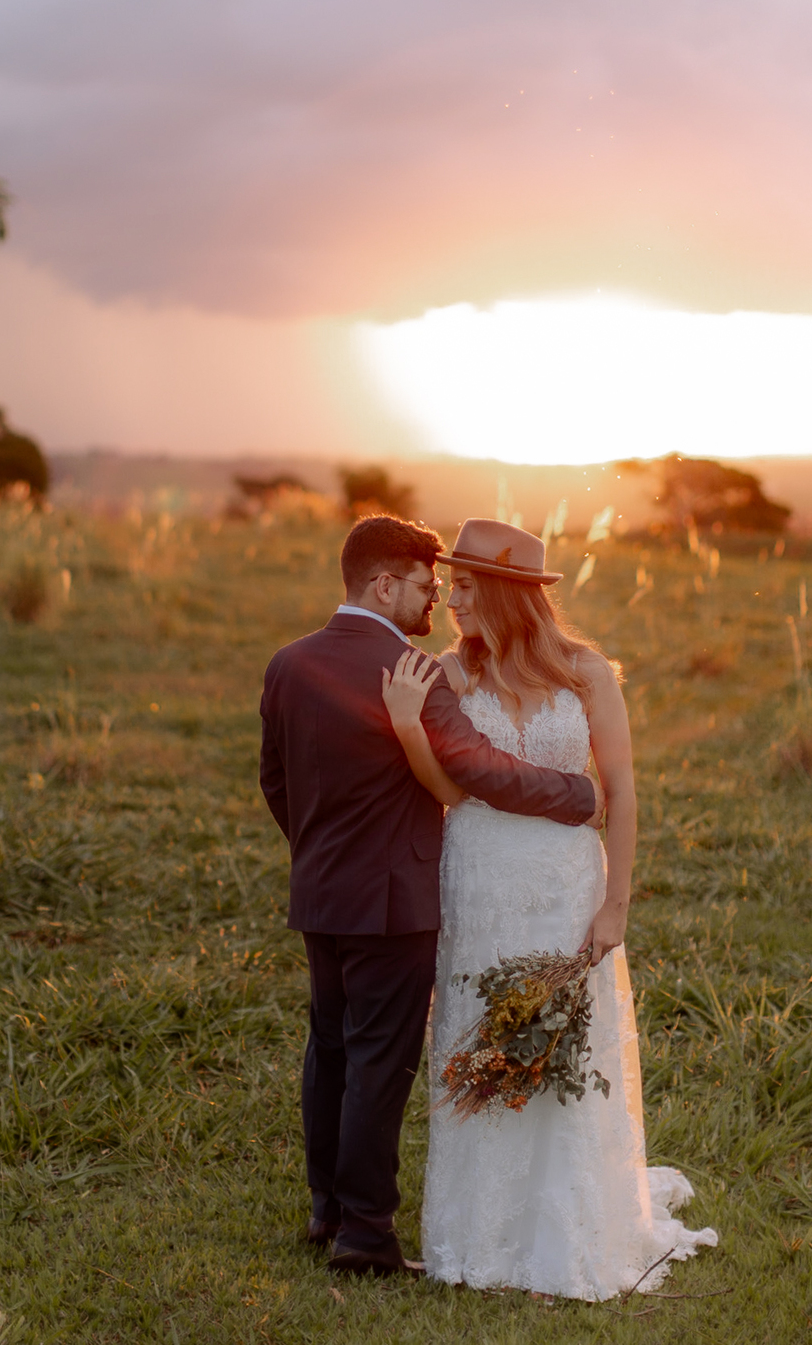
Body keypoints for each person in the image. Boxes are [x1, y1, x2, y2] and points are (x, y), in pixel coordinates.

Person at [259, 515, 606, 1278]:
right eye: (424, 584)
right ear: (384, 584)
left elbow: (275, 780)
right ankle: (365, 1232)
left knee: (331, 1046)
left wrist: (317, 854)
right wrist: (578, 792)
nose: (435, 598)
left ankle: (326, 1205)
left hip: (319, 894)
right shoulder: (408, 670)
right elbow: (479, 767)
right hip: (394, 901)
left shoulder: (288, 663)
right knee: (380, 1061)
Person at [381, 517, 718, 1302]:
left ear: (502, 591)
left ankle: (565, 1232)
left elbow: (624, 790)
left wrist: (617, 905)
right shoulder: (452, 675)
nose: (451, 600)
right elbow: (450, 789)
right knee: (480, 1031)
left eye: (463, 586)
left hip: (568, 882)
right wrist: (406, 725)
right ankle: (481, 1232)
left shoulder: (586, 672)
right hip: (482, 876)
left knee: (569, 1042)